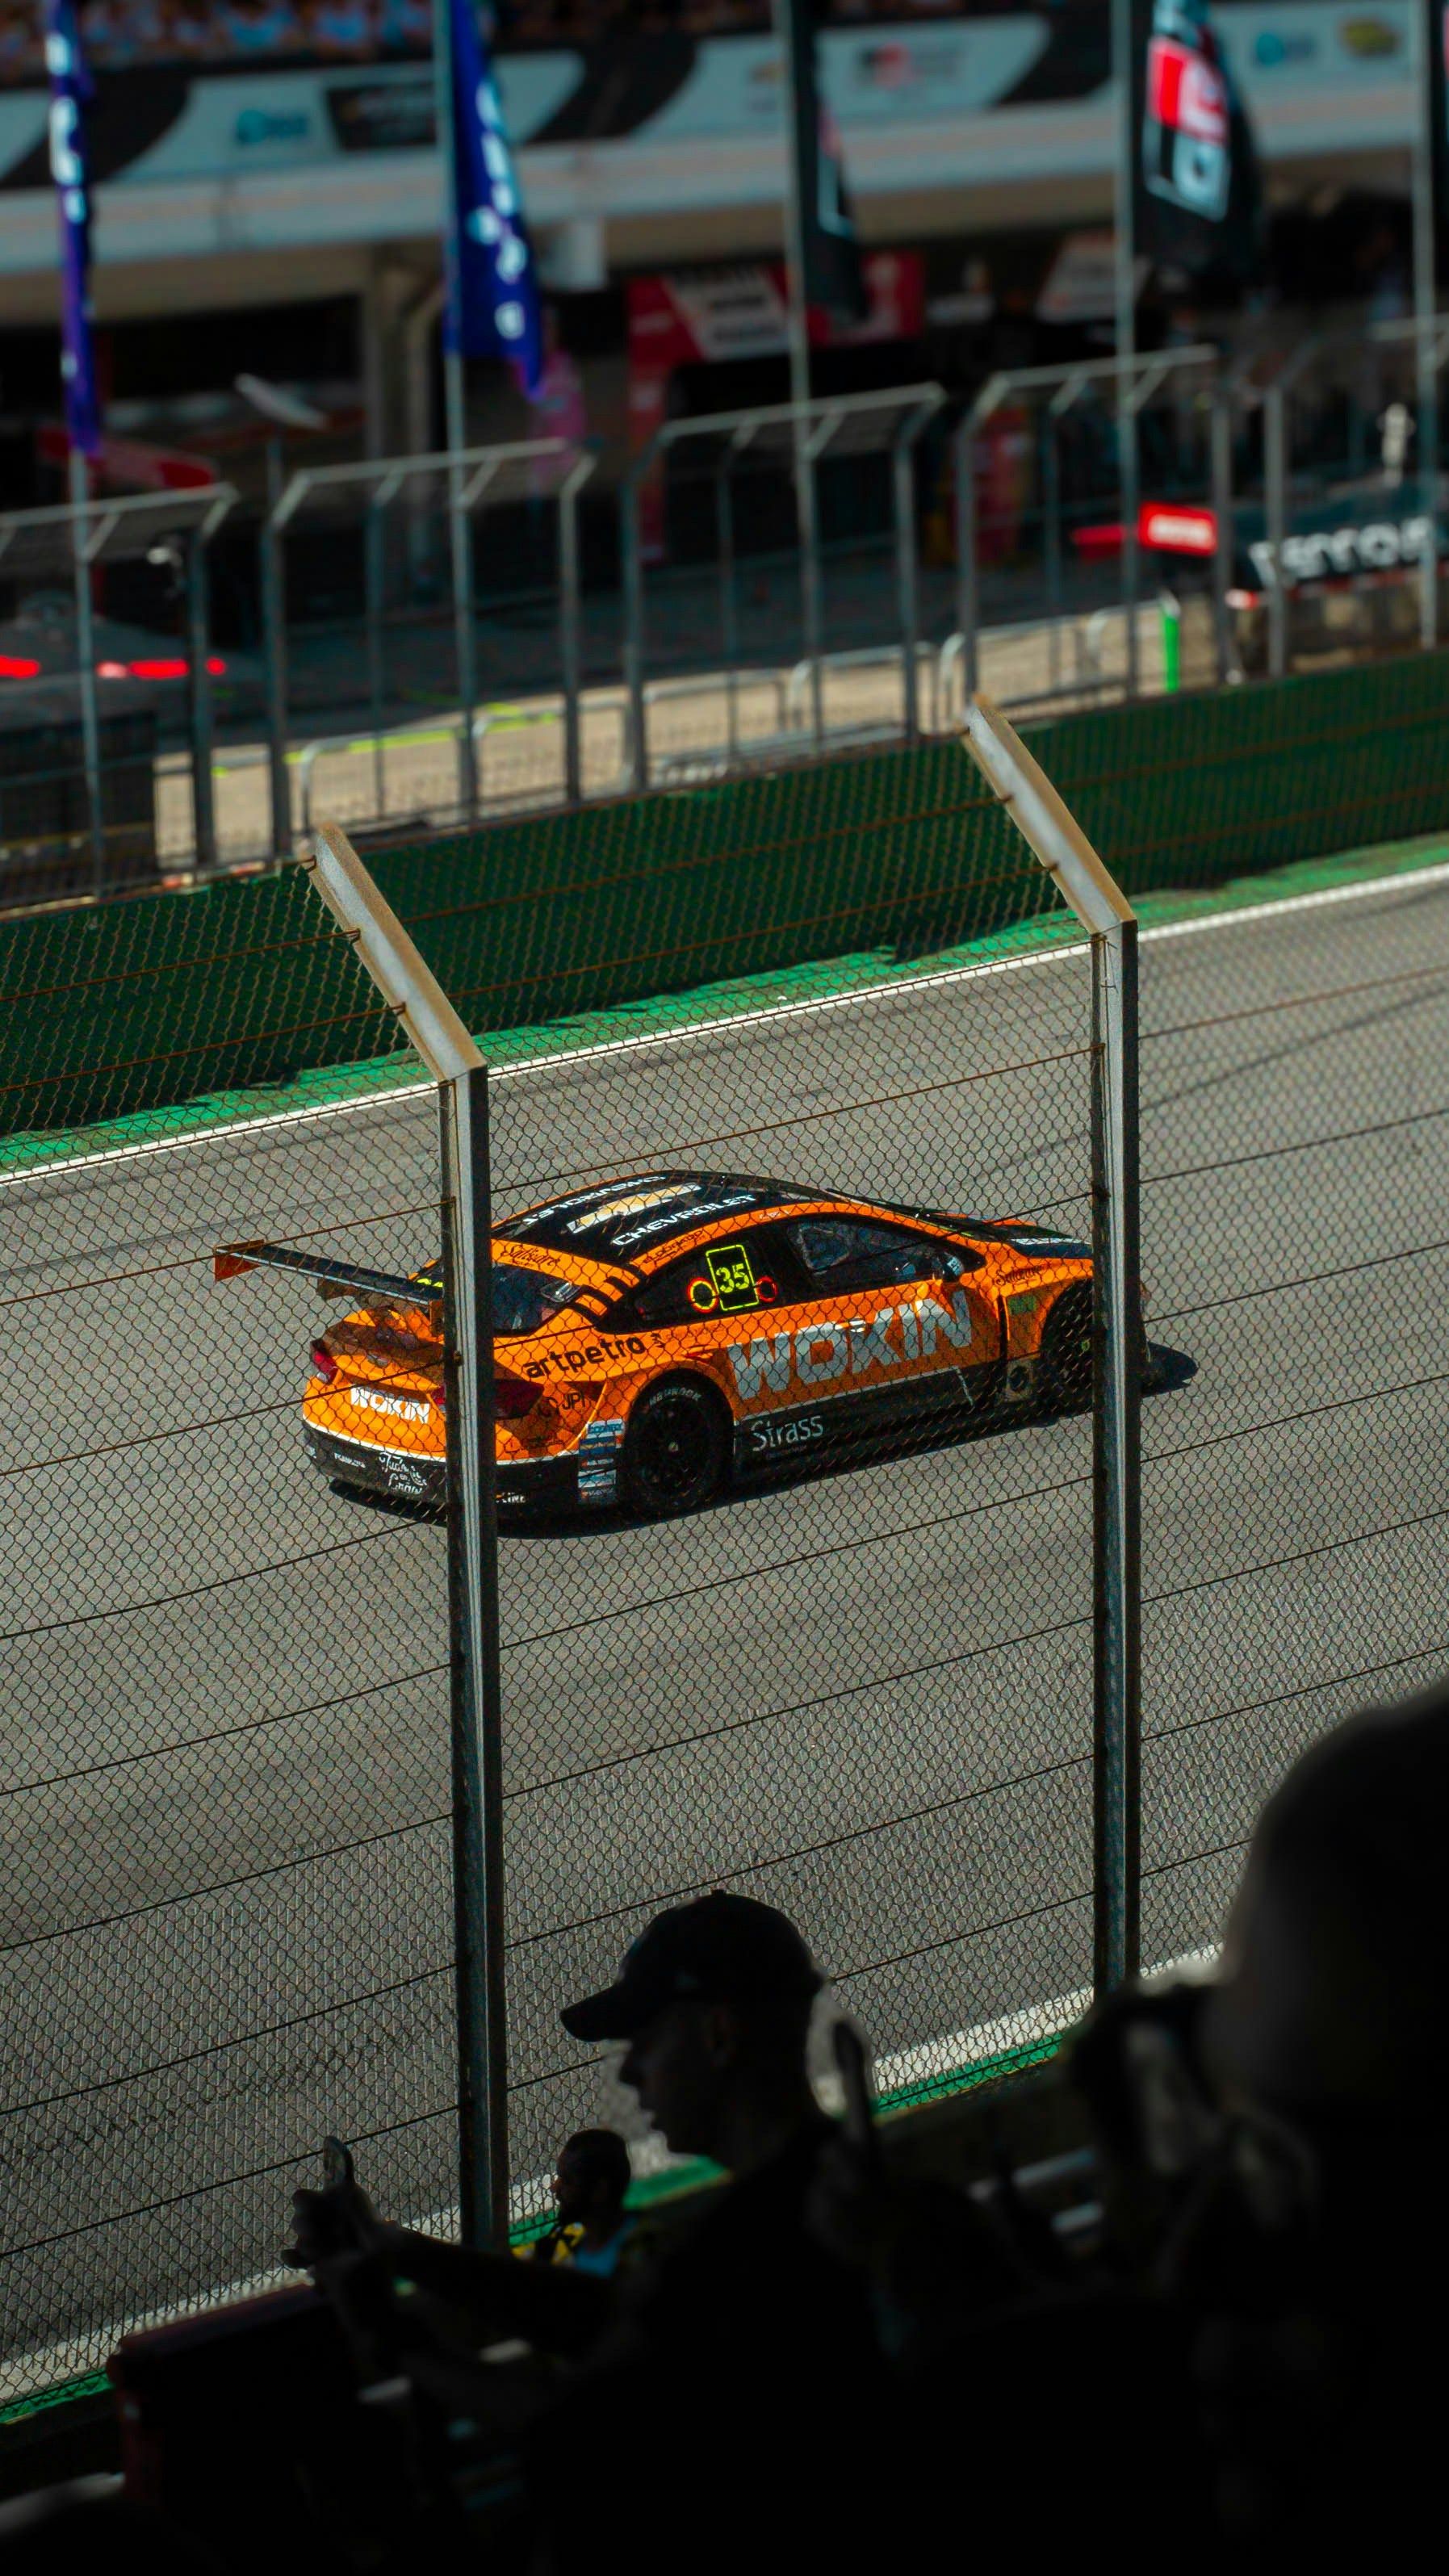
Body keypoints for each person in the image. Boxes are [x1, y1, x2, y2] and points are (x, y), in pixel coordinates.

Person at [526, 2127, 636, 2277]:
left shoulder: (641, 2254)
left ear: (599, 2190)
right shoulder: (565, 2250)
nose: (554, 2188)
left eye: (567, 2181)